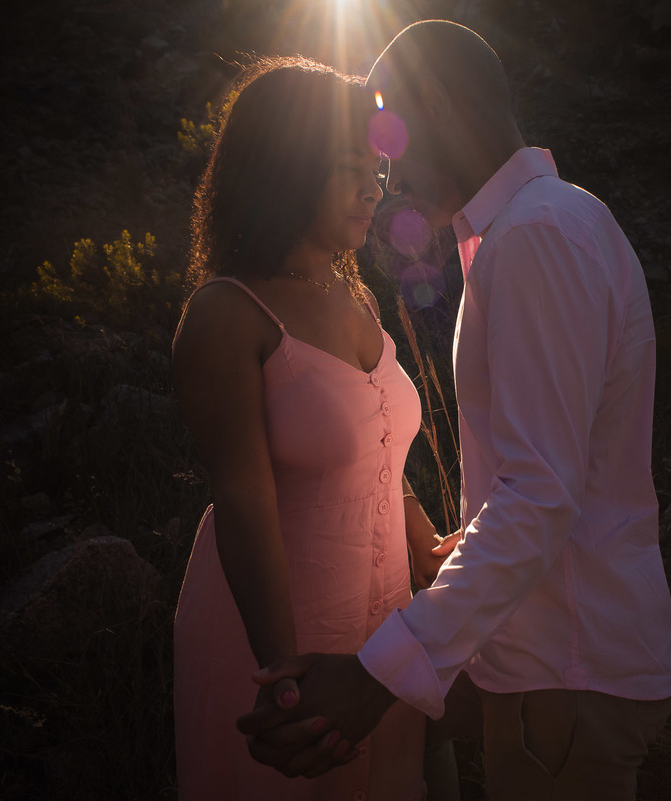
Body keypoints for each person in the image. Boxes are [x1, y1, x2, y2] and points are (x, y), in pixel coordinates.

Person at [241, 20, 671, 801]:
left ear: (436, 105)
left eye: (388, 133)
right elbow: (553, 474)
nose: (385, 169)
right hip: (566, 666)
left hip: (568, 675)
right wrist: (469, 545)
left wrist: (379, 675)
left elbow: (542, 496)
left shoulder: (535, 239)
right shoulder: (548, 221)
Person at [171, 54, 454, 801]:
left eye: (378, 171)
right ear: (286, 168)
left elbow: (376, 447)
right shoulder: (228, 313)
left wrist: (421, 531)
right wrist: (283, 676)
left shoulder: (351, 290)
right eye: (347, 168)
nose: (373, 189)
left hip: (380, 631)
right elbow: (242, 496)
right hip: (282, 628)